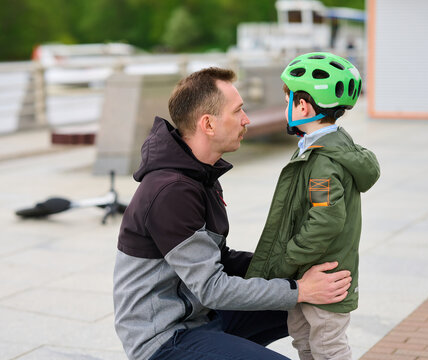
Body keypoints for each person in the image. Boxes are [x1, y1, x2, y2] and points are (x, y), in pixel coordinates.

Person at [113, 67, 353, 360]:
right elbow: (213, 288)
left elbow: (221, 259)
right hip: (164, 337)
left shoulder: (199, 174)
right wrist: (299, 288)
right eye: (238, 111)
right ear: (208, 125)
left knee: (309, 303)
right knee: (300, 296)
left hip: (201, 316)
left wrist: (292, 269)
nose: (246, 119)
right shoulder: (170, 191)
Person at [245, 52, 381, 360]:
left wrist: (286, 259)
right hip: (309, 274)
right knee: (305, 342)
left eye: (288, 101)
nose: (287, 108)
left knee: (327, 347)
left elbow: (325, 221)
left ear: (303, 106)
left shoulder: (323, 162)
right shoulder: (320, 148)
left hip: (323, 277)